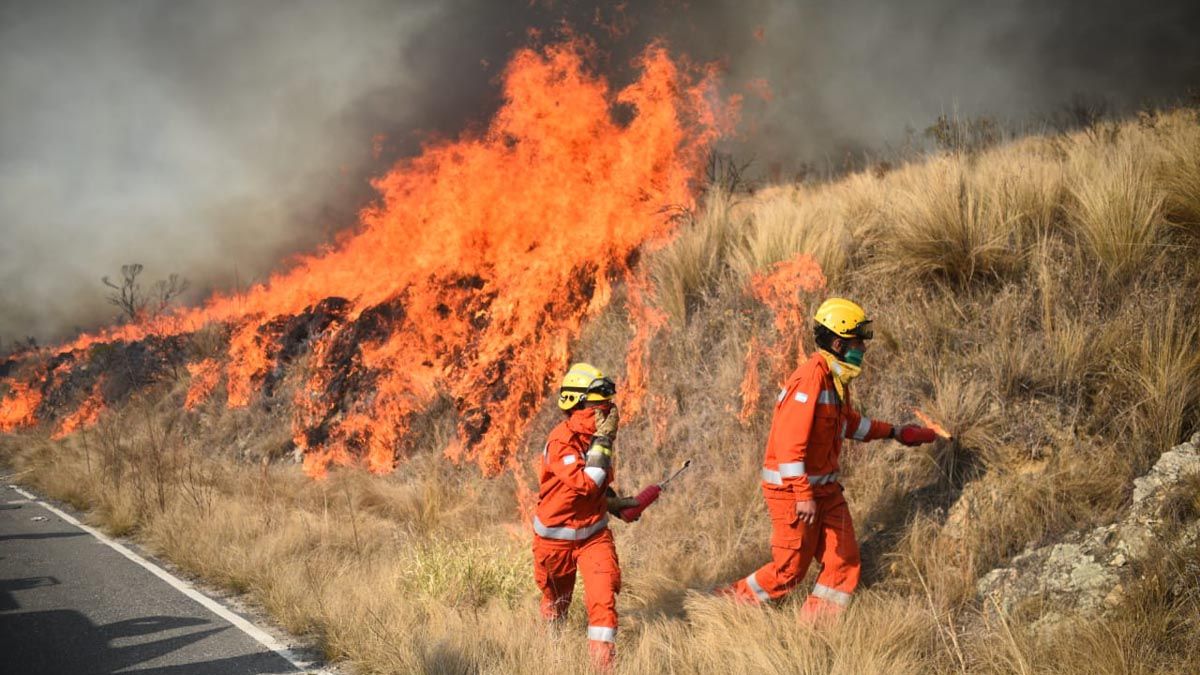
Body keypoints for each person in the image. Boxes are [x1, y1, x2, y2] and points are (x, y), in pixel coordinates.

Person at [717, 298, 938, 618]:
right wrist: (803, 494)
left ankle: (816, 630)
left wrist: (895, 432)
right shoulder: (810, 379)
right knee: (789, 570)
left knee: (843, 560)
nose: (863, 348)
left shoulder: (834, 380)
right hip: (793, 493)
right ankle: (726, 605)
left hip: (826, 492)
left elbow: (849, 424)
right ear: (838, 344)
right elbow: (789, 445)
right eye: (858, 342)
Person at [532, 363, 658, 671]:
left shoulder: (593, 437)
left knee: (603, 603)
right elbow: (587, 483)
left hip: (593, 536)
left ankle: (604, 668)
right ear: (575, 405)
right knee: (556, 606)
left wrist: (614, 504)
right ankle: (549, 659)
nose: (607, 411)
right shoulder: (561, 442)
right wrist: (603, 441)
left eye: (608, 405)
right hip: (555, 543)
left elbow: (597, 486)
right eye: (598, 406)